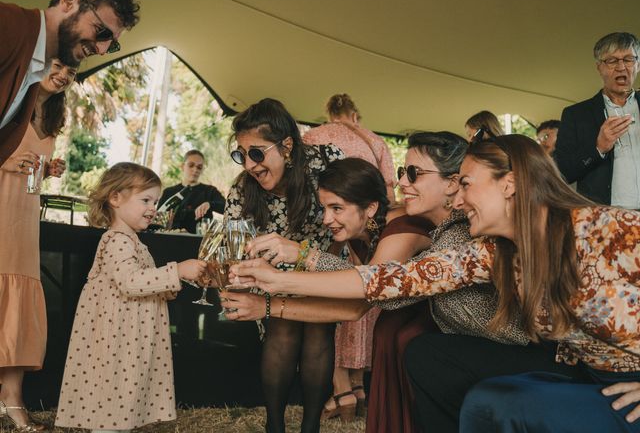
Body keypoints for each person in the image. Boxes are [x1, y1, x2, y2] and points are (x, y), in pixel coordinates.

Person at [235, 134, 640, 432]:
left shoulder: (608, 230)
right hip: (587, 375)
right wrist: (273, 280)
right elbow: (391, 280)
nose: (459, 200)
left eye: (466, 184)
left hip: (628, 388)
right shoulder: (494, 252)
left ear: (510, 184)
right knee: (482, 402)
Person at [54, 163, 205, 433]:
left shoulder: (134, 241)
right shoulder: (117, 240)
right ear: (115, 199)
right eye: (145, 199)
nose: (153, 207)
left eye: (155, 201)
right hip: (118, 337)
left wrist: (178, 279)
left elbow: (145, 281)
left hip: (130, 335)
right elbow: (130, 282)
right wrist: (177, 270)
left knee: (125, 389)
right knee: (114, 390)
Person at [224, 98, 344, 433]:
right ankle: (273, 425)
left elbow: (351, 211)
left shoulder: (327, 162)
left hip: (323, 266)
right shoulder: (241, 190)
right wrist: (244, 269)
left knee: (320, 333)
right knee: (282, 330)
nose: (249, 164)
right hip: (276, 280)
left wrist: (320, 262)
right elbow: (233, 249)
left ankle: (310, 428)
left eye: (257, 153)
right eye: (242, 154)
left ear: (287, 146)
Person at [0, 59, 76, 431]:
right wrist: (7, 161)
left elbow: (30, 170)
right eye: (58, 65)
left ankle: (12, 399)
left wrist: (47, 169)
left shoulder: (53, 120)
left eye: (71, 72)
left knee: (18, 309)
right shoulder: (8, 102)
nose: (63, 74)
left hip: (23, 221)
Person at [0, 0, 140, 166]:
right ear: (69, 2)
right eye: (101, 32)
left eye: (112, 44)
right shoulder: (8, 23)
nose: (101, 50)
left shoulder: (35, 72)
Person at [555, 32, 640, 207]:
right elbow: (562, 172)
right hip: (605, 218)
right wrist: (598, 148)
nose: (621, 67)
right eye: (612, 61)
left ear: (637, 64)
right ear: (599, 67)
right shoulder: (576, 115)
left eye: (628, 59)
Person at [303, 93, 396, 202]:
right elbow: (388, 190)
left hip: (324, 205)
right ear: (354, 116)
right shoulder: (376, 141)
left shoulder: (312, 136)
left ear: (331, 115)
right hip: (365, 206)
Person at [157, 149, 225, 233]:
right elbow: (158, 217)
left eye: (199, 167)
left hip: (198, 242)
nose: (195, 170)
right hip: (171, 239)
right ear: (182, 166)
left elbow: (227, 208)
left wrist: (210, 204)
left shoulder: (210, 191)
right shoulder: (169, 192)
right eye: (191, 165)